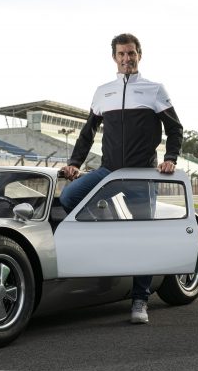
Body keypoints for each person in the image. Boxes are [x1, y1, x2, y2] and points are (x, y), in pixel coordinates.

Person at [59, 33, 183, 324]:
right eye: (121, 54)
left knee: (142, 236)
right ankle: (107, 251)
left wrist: (170, 158)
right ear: (114, 57)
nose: (126, 59)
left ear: (140, 55)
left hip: (142, 175)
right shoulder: (103, 91)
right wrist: (75, 163)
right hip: (109, 172)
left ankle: (140, 300)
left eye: (131, 53)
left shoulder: (154, 90)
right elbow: (88, 131)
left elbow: (175, 128)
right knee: (69, 197)